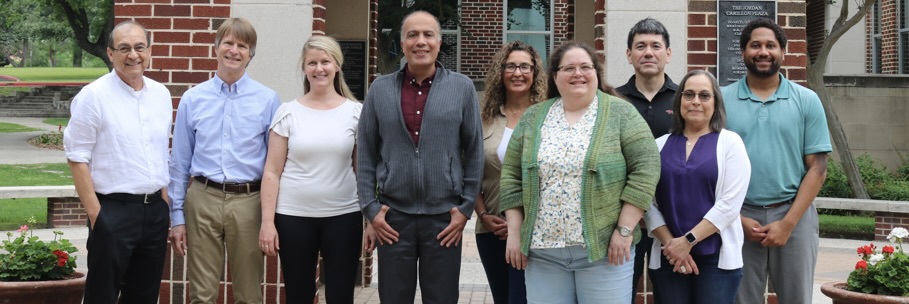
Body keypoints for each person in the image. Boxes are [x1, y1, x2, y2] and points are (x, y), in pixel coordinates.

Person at [500, 41, 661, 304]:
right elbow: (511, 176)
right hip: (543, 255)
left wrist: (624, 229)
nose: (578, 73)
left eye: (586, 67)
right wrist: (515, 234)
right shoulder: (533, 117)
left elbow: (646, 168)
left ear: (596, 73)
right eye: (569, 68)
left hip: (604, 254)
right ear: (555, 75)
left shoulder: (621, 112)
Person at [356, 10, 484, 304]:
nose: (420, 41)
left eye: (428, 35)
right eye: (412, 35)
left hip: (444, 220)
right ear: (402, 44)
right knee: (393, 298)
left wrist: (465, 209)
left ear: (439, 42)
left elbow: (474, 152)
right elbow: (365, 152)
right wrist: (371, 209)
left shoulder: (461, 88)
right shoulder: (379, 89)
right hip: (393, 220)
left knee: (441, 299)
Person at [168, 17, 282, 304]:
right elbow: (179, 163)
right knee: (202, 294)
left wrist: (271, 216)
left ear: (250, 55)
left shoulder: (268, 100)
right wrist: (177, 218)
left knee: (248, 293)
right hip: (202, 198)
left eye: (242, 45)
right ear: (216, 48)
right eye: (228, 43)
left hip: (249, 201)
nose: (234, 50)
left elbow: (275, 166)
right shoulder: (193, 99)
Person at [721, 18, 831, 304]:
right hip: (738, 217)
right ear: (743, 51)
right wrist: (735, 218)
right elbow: (711, 167)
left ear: (783, 51)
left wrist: (788, 223)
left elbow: (817, 168)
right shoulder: (721, 101)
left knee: (797, 299)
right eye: (755, 45)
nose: (763, 51)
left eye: (771, 45)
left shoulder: (807, 100)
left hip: (794, 216)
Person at [258, 35, 373, 304]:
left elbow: (363, 172)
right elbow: (272, 171)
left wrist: (370, 220)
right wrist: (267, 222)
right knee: (298, 295)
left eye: (325, 61)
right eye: (312, 62)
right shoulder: (288, 112)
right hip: (293, 217)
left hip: (343, 215)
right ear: (304, 67)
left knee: (341, 294)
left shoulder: (356, 113)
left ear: (337, 65)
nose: (319, 68)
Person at [64, 20, 172, 303]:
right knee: (102, 294)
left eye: (139, 47)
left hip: (154, 213)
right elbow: (77, 158)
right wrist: (97, 216)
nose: (132, 55)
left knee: (144, 295)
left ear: (149, 51)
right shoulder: (93, 96)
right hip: (112, 211)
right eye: (124, 48)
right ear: (111, 54)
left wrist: (163, 199)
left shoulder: (161, 95)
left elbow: (159, 150)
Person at [643, 70, 751, 304]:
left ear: (715, 102)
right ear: (679, 100)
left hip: (716, 260)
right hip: (668, 255)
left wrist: (687, 242)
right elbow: (647, 204)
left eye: (704, 96)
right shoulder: (658, 146)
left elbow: (729, 205)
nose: (695, 102)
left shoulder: (730, 144)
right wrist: (673, 245)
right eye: (688, 94)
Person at [475, 40, 545, 304]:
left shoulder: (547, 114)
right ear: (500, 72)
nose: (518, 73)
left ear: (535, 72)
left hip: (537, 231)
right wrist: (482, 213)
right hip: (491, 228)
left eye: (525, 66)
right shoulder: (483, 117)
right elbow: (470, 174)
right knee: (503, 298)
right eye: (510, 66)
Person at [615, 18, 678, 301]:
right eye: (640, 46)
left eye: (656, 46)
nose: (648, 52)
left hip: (673, 219)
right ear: (629, 55)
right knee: (620, 293)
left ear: (668, 53)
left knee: (670, 293)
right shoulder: (613, 101)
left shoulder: (685, 100)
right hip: (623, 219)